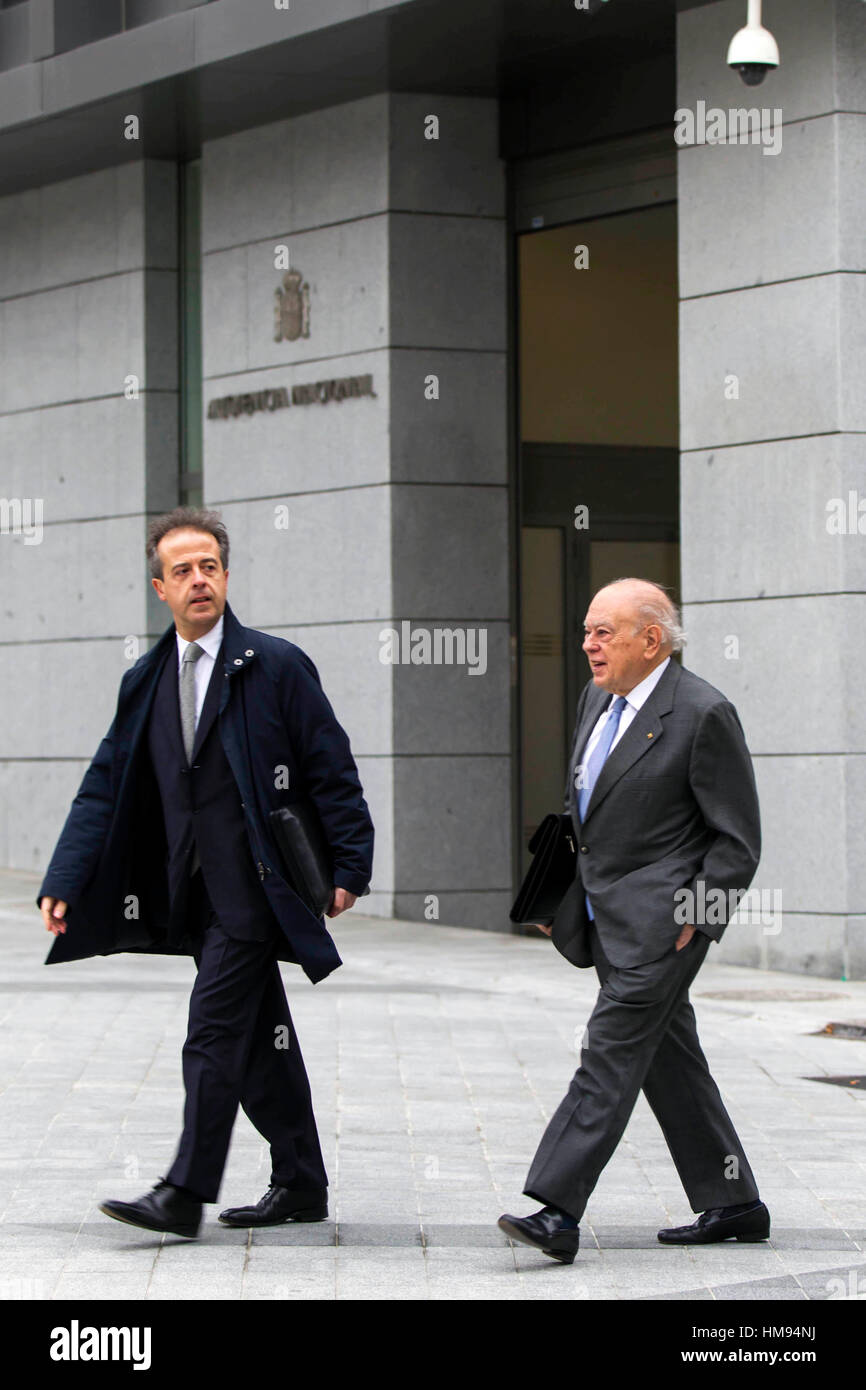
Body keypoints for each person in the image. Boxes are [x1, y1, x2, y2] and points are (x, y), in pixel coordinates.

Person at [38, 507, 374, 1239]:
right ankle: (301, 1181)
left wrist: (350, 864)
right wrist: (65, 876)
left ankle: (183, 1192)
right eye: (183, 570)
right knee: (259, 1040)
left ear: (226, 576)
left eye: (210, 566)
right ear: (159, 586)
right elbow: (106, 780)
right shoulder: (147, 678)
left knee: (213, 1031)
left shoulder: (274, 665)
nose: (199, 580)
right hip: (186, 892)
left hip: (254, 889)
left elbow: (329, 766)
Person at [498, 578, 768, 1264]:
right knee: (669, 1060)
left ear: (651, 640)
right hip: (602, 914)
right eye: (587, 631)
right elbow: (583, 809)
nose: (587, 645)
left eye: (602, 633)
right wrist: (562, 895)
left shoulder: (704, 713)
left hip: (663, 923)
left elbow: (737, 839)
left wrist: (700, 917)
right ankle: (733, 1201)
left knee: (610, 1051)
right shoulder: (598, 697)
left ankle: (556, 1208)